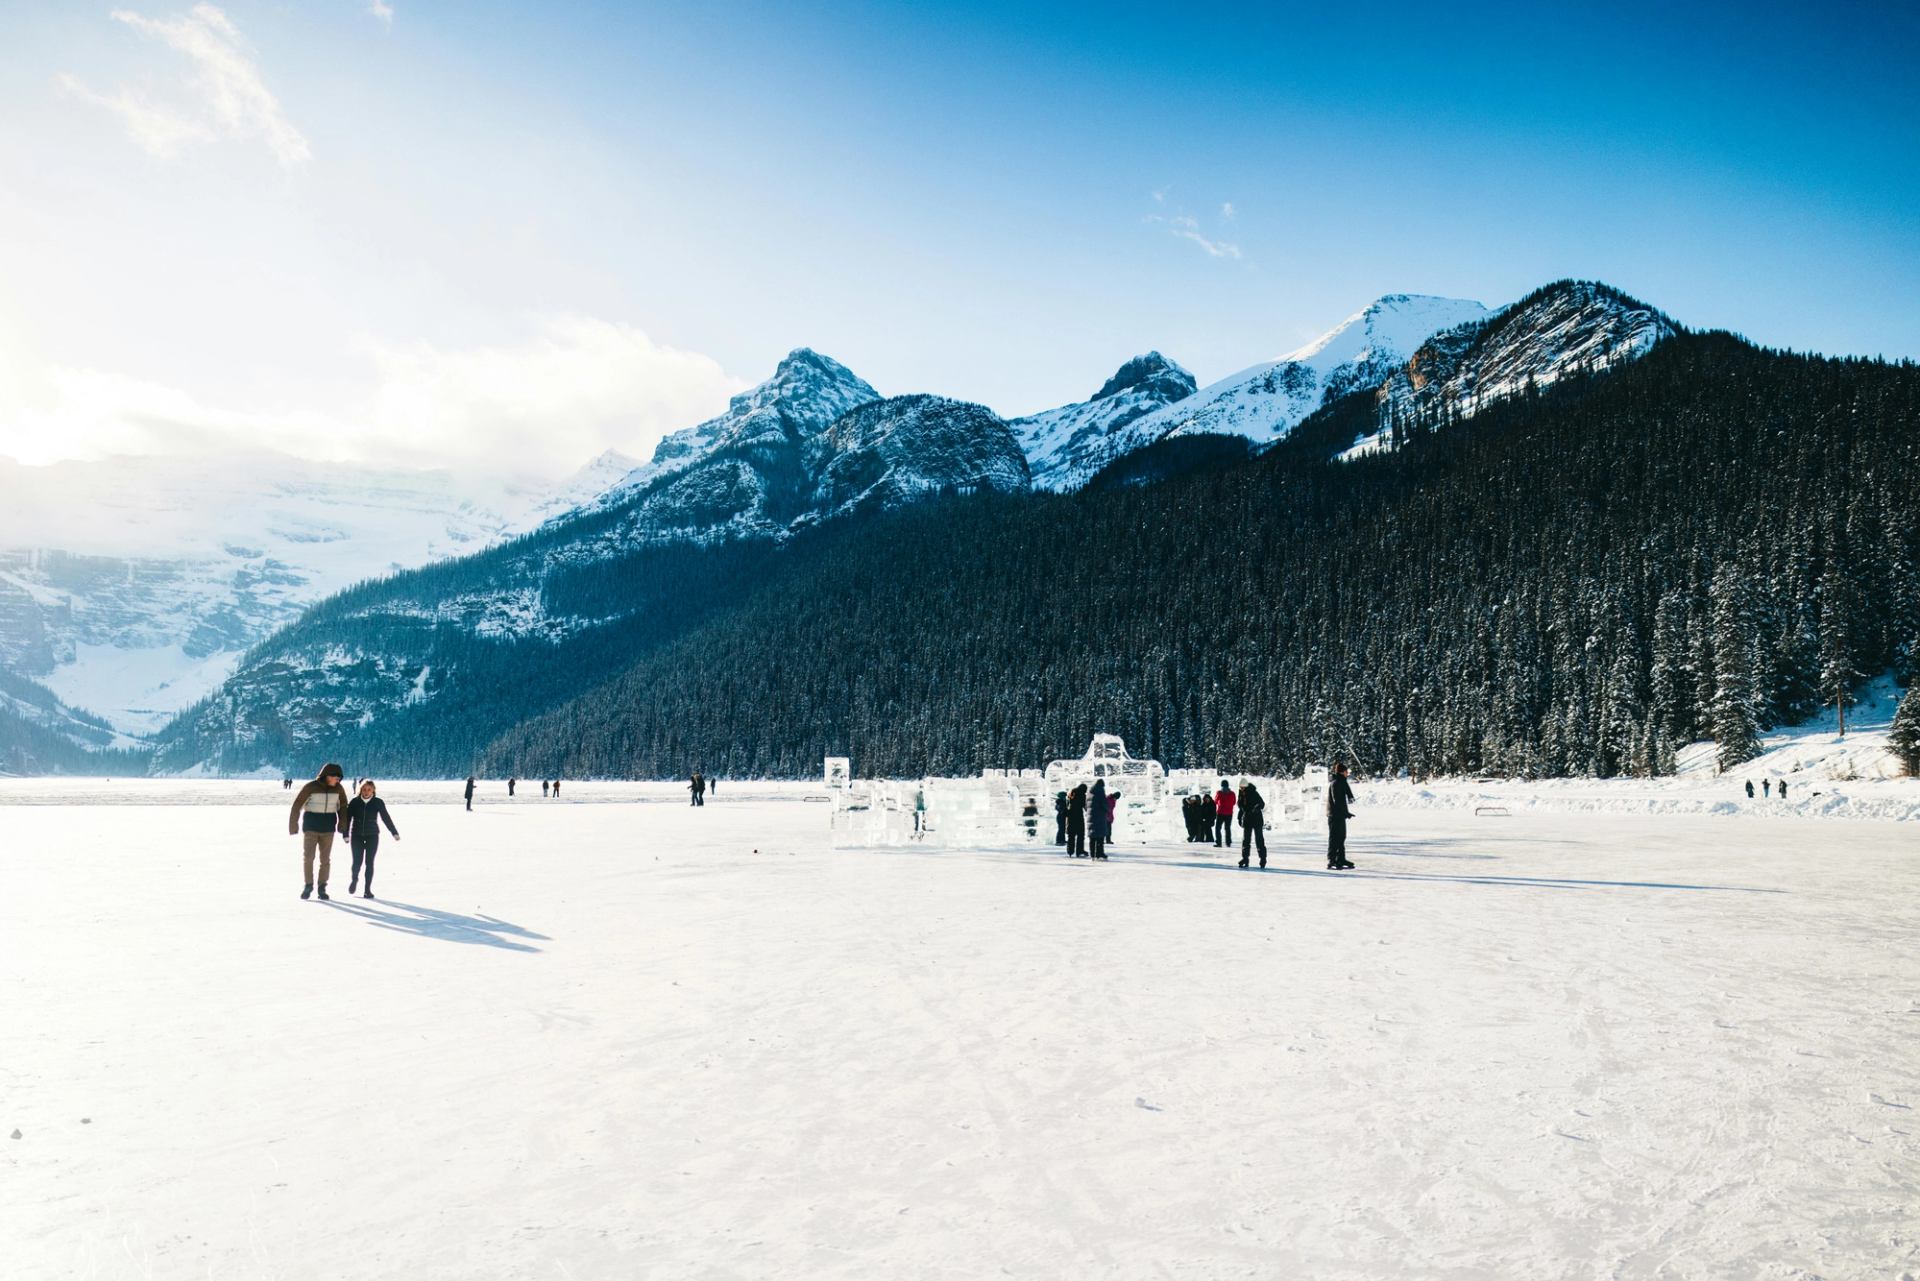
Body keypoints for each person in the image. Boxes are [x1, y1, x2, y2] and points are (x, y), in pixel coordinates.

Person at [288, 763, 349, 900]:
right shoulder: (311, 787)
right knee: (309, 857)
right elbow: (297, 805)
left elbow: (343, 807)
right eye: (336, 778)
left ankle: (322, 887)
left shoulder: (339, 789)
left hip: (328, 829)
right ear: (327, 776)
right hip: (311, 828)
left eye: (339, 778)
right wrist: (293, 825)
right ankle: (308, 885)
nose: (338, 780)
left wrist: (342, 824)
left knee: (325, 859)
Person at [344, 780, 400, 899]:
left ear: (373, 790)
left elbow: (386, 817)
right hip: (357, 836)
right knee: (357, 862)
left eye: (369, 789)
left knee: (369, 863)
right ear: (360, 790)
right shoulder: (354, 802)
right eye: (364, 789)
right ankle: (354, 880)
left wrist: (394, 832)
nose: (366, 792)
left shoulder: (378, 802)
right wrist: (345, 834)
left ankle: (367, 890)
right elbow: (347, 819)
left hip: (372, 836)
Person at [1327, 760, 1356, 870]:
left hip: (1338, 815)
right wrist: (1345, 813)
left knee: (1341, 837)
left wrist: (1345, 813)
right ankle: (1332, 860)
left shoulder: (1341, 782)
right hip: (1334, 815)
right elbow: (1337, 801)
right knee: (1335, 838)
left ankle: (1341, 858)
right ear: (1341, 772)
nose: (1347, 773)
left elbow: (1341, 800)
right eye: (1346, 772)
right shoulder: (1336, 783)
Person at [1238, 778, 1267, 868]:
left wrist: (1257, 807)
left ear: (1246, 786)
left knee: (1259, 839)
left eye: (1243, 787)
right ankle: (1245, 858)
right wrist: (1239, 818)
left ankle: (1263, 858)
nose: (1241, 788)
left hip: (1257, 819)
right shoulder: (1241, 794)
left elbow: (1262, 804)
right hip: (1247, 820)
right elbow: (1241, 807)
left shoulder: (1253, 792)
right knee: (1246, 840)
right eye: (1240, 787)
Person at [1089, 779, 1110, 860]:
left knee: (1092, 836)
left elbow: (1086, 806)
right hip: (1099, 817)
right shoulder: (1100, 791)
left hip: (1090, 817)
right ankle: (1099, 853)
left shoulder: (1090, 792)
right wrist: (1108, 810)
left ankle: (1092, 854)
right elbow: (1104, 804)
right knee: (1100, 836)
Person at [1066, 784, 1088, 857]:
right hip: (1079, 816)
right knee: (1080, 834)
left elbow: (1067, 804)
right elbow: (1084, 806)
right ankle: (1079, 851)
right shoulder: (1082, 794)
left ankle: (1070, 851)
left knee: (1071, 835)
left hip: (1071, 815)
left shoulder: (1071, 793)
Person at [1213, 779, 1236, 848]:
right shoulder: (1232, 793)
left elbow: (1215, 801)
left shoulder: (1219, 792)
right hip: (1229, 813)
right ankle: (1228, 843)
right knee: (1227, 828)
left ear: (1221, 785)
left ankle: (1219, 842)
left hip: (1220, 813)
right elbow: (1234, 802)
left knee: (1218, 828)